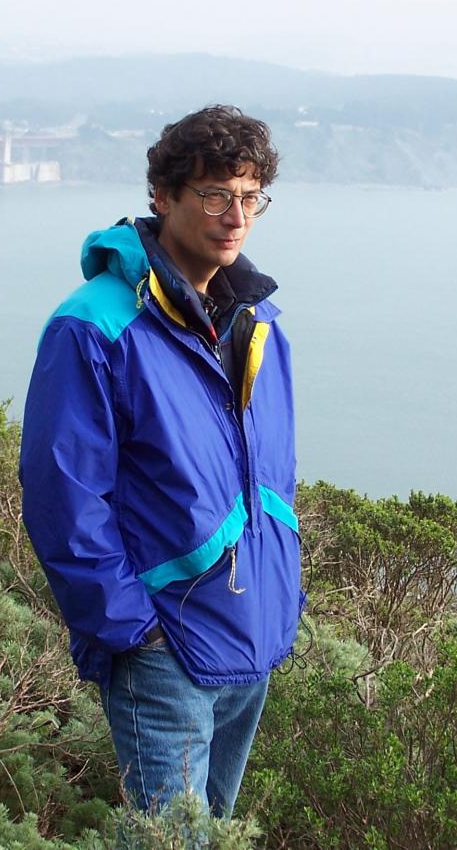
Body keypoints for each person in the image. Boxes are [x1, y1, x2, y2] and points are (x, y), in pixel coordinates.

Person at [20, 105, 302, 817]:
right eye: (213, 194)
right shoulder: (95, 325)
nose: (234, 215)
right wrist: (130, 631)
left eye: (249, 197)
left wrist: (282, 597)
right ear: (163, 196)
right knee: (170, 841)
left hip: (248, 634)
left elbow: (270, 481)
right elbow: (63, 497)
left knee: (214, 833)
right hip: (164, 643)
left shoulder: (259, 321)